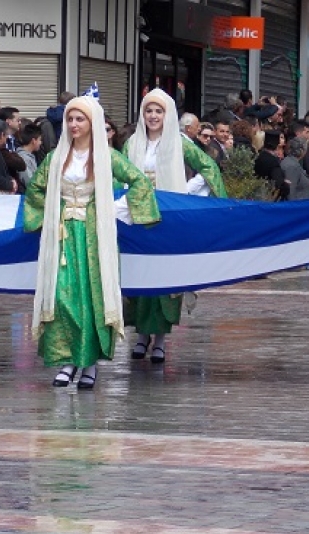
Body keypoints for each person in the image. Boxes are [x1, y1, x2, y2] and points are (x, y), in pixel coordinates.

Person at [24, 96, 159, 389]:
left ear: (92, 123)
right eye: (70, 119)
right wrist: (43, 218)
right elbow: (35, 189)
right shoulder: (56, 158)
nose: (73, 125)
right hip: (62, 237)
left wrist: (115, 210)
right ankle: (68, 359)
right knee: (62, 296)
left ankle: (88, 364)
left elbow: (139, 182)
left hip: (93, 238)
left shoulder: (107, 157)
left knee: (89, 299)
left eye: (79, 119)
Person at [122, 88, 222, 364]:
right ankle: (142, 335)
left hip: (167, 218)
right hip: (137, 218)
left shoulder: (180, 143)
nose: (153, 116)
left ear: (168, 114)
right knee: (139, 275)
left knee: (164, 277)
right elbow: (116, 174)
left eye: (159, 111)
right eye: (148, 110)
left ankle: (161, 340)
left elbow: (209, 167)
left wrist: (186, 191)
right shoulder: (132, 144)